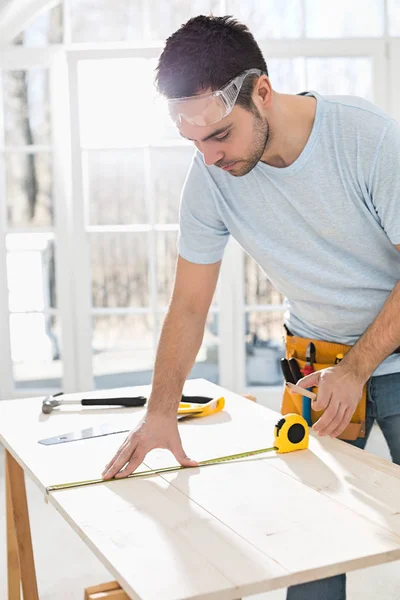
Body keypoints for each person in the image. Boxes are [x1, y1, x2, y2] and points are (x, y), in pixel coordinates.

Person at [102, 15, 400, 599]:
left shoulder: (367, 139)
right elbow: (189, 305)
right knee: (310, 545)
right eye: (192, 142)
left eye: (219, 136)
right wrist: (160, 410)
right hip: (315, 361)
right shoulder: (210, 176)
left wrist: (358, 368)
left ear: (260, 91)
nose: (209, 158)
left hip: (387, 353)